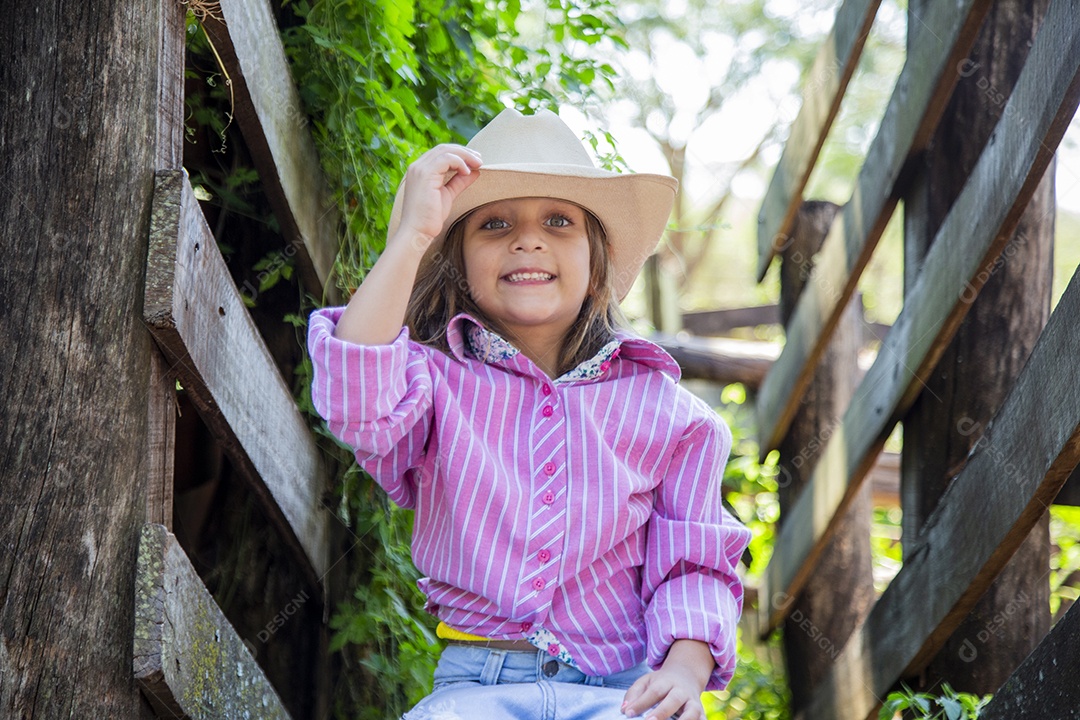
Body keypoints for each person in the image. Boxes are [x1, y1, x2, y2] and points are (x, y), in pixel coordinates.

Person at [307, 108, 751, 720]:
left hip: (621, 690)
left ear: (598, 267)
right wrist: (410, 236)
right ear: (460, 267)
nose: (527, 238)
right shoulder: (430, 385)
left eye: (559, 220)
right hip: (473, 690)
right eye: (494, 223)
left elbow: (696, 562)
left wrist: (682, 670)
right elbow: (356, 399)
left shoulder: (673, 417)